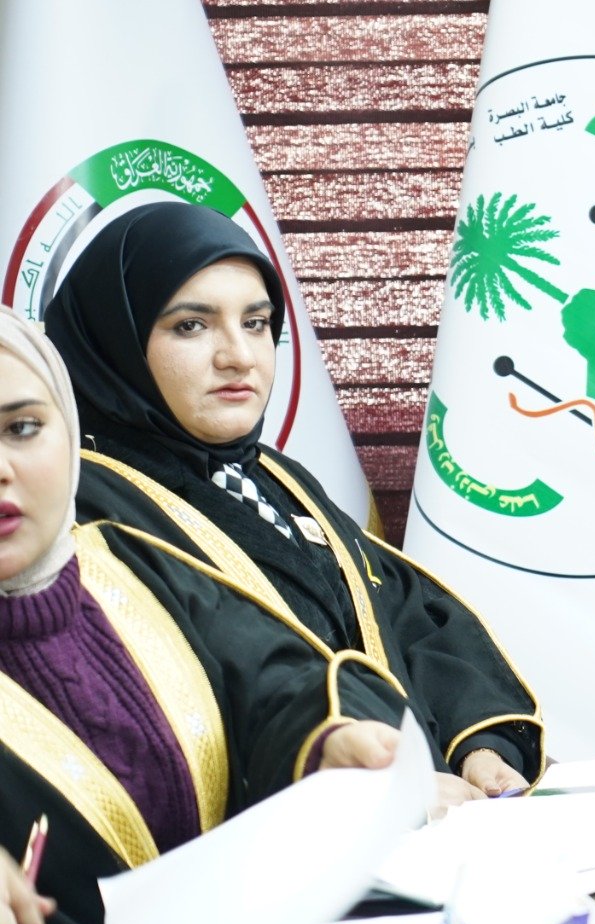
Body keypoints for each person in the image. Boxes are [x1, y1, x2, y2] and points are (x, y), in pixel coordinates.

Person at [44, 202, 542, 800]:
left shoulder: (276, 476)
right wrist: (370, 795)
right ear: (112, 340)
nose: (239, 355)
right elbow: (175, 710)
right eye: (191, 326)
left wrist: (479, 747)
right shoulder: (80, 512)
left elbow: (402, 612)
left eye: (256, 323)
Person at [0, 304, 410, 924]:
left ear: (67, 430)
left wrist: (327, 741)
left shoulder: (130, 560)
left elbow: (272, 682)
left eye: (21, 428)